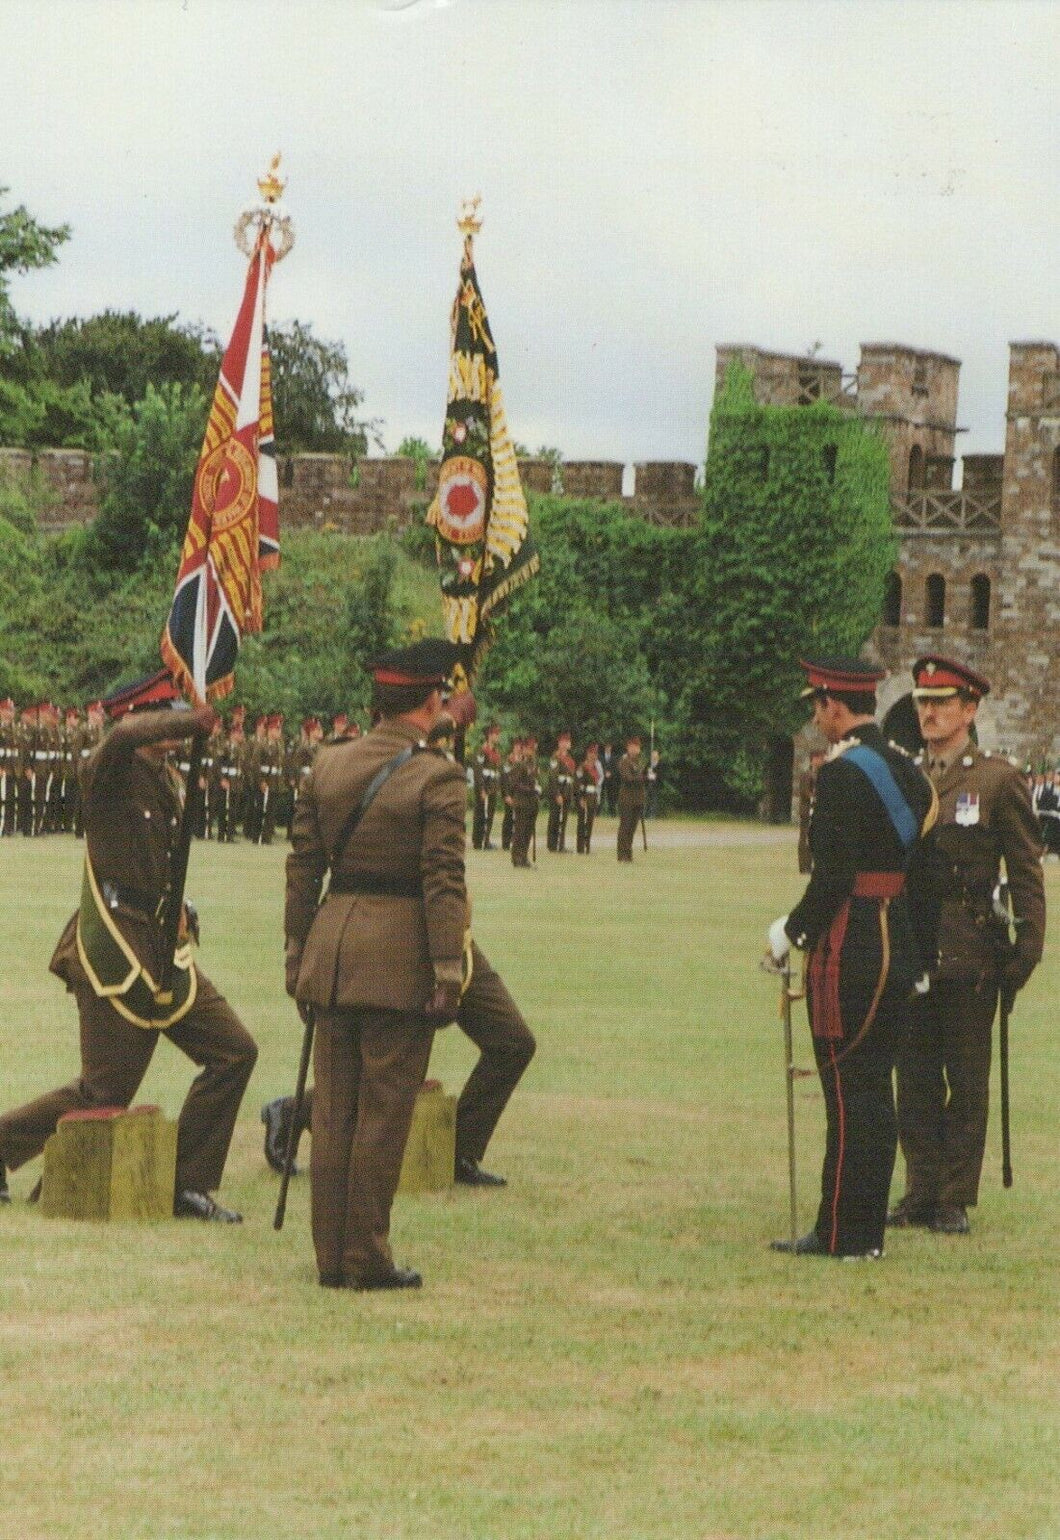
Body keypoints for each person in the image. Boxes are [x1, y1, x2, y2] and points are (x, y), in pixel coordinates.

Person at [284, 640, 534, 1289]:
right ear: (430, 698)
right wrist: (449, 970)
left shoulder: (328, 763)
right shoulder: (437, 776)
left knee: (336, 1113)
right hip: (400, 959)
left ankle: (331, 1259)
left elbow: (303, 868)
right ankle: (367, 1257)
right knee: (384, 1114)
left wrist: (296, 951)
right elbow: (442, 880)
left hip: (332, 949)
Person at [0, 672, 257, 1219]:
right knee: (102, 1094)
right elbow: (118, 739)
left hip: (163, 943)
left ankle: (188, 1183)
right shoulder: (110, 767)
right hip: (114, 944)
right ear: (140, 718)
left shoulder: (164, 776)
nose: (176, 725)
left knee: (234, 1051)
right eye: (166, 714)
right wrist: (191, 721)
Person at [765, 658, 937, 1259]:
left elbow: (834, 874)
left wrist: (791, 929)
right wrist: (918, 954)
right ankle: (866, 1233)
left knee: (845, 1092)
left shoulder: (842, 775)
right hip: (897, 940)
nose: (817, 718)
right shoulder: (908, 771)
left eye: (817, 706)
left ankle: (841, 1234)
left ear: (834, 706)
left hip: (852, 942)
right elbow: (919, 870)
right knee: (873, 1090)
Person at [891, 656, 1046, 1236]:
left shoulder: (996, 779)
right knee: (916, 1077)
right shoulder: (908, 776)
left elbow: (1026, 869)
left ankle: (954, 1196)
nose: (928, 712)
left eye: (942, 702)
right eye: (922, 702)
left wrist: (1026, 950)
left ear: (970, 709)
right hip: (914, 942)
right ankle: (919, 1191)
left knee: (966, 1077)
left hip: (970, 946)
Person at [509, 736, 540, 868]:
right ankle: (517, 858)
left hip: (532, 802)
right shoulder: (519, 764)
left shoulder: (533, 764)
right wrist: (530, 789)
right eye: (530, 749)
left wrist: (537, 789)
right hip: (522, 801)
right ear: (525, 749)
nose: (532, 751)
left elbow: (536, 780)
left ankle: (524, 856)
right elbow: (514, 784)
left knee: (528, 831)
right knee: (520, 831)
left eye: (533, 749)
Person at [471, 722, 502, 850]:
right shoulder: (481, 750)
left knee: (489, 814)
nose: (497, 736)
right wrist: (482, 789)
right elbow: (478, 771)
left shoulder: (495, 751)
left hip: (492, 787)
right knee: (481, 814)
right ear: (489, 735)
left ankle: (487, 839)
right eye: (495, 734)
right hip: (484, 787)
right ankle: (479, 841)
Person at [796, 749, 826, 875]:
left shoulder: (821, 774)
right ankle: (804, 866)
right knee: (805, 838)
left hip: (817, 811)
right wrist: (816, 797)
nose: (823, 760)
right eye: (821, 758)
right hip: (807, 810)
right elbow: (805, 792)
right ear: (814, 759)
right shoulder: (807, 774)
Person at [616, 735, 646, 862]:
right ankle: (622, 854)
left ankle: (628, 853)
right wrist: (642, 777)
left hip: (638, 799)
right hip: (627, 799)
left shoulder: (640, 762)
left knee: (632, 828)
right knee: (625, 827)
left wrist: (648, 777)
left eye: (637, 747)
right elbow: (628, 778)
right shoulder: (624, 761)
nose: (634, 749)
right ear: (628, 748)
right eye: (632, 747)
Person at [545, 731, 576, 853]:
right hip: (558, 791)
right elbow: (553, 777)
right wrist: (557, 793)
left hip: (567, 791)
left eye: (568, 742)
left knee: (563, 819)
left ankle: (561, 844)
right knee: (555, 818)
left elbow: (570, 777)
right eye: (564, 742)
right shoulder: (555, 757)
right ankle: (553, 844)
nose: (566, 744)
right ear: (559, 743)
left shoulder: (569, 759)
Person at [575, 742, 601, 854]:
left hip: (593, 796)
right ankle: (580, 846)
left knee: (590, 821)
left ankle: (587, 845)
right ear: (587, 754)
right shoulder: (582, 767)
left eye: (595, 754)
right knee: (582, 822)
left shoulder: (595, 768)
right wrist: (581, 798)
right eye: (591, 753)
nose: (593, 756)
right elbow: (579, 784)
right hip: (585, 796)